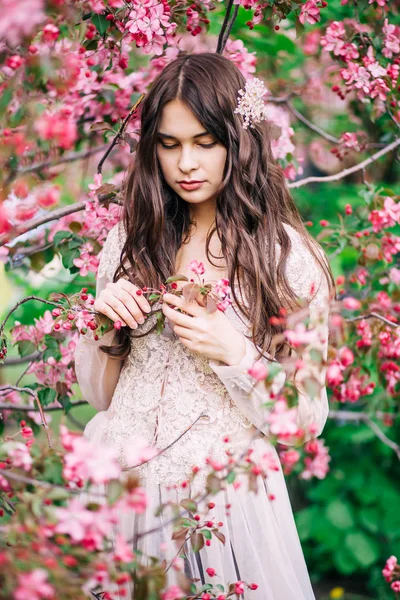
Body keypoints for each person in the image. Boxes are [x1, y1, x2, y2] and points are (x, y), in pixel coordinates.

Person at [74, 51, 335, 599]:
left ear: (238, 141)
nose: (186, 163)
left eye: (204, 142)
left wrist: (236, 353)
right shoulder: (131, 240)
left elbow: (307, 418)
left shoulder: (288, 260)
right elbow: (102, 399)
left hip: (226, 509)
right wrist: (105, 329)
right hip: (125, 494)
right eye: (169, 145)